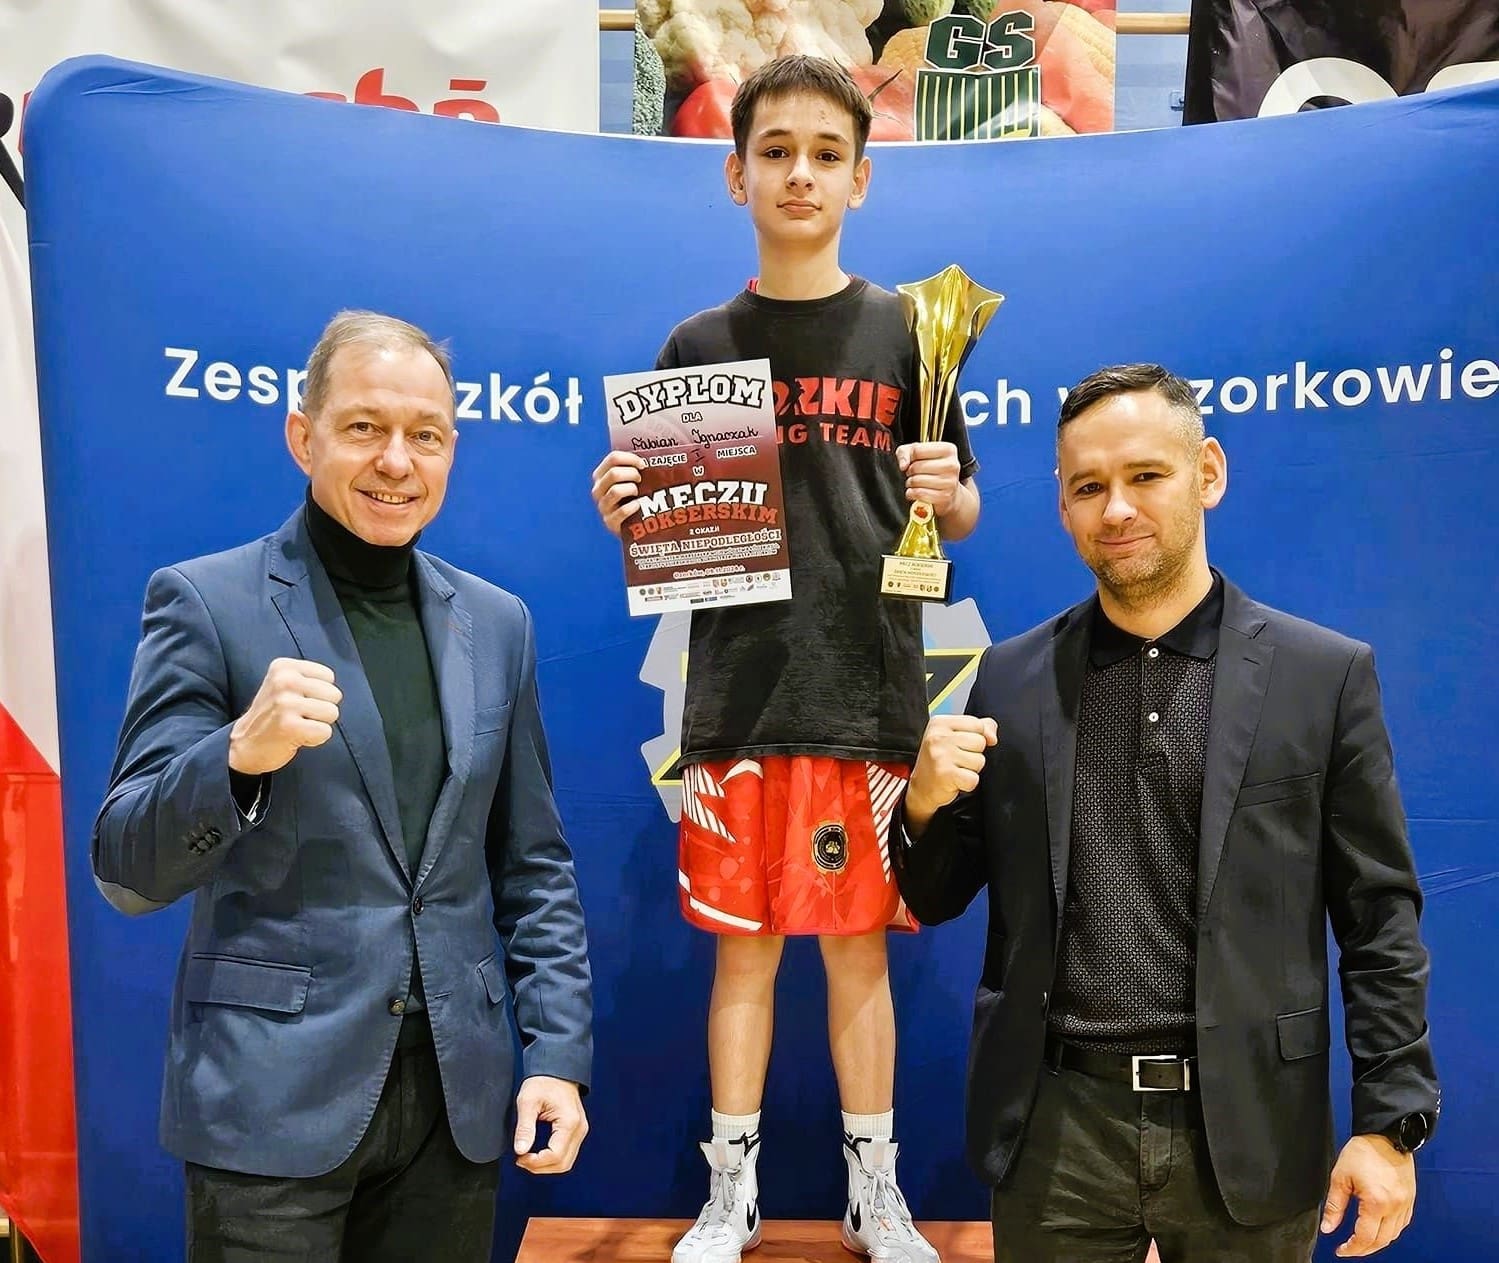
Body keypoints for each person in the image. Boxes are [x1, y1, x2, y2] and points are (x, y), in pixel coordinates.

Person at [893, 363, 1440, 1262]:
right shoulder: (1010, 676)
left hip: (1250, 1127)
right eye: (1087, 487)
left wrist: (1390, 1120)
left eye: (1144, 475)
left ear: (1207, 472)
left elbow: (1378, 918)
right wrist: (919, 804)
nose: (1116, 509)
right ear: (1062, 506)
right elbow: (936, 893)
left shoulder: (1321, 675)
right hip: (1053, 1131)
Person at [93, 310, 593, 1262]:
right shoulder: (206, 600)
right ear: (303, 435)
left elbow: (532, 865)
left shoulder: (498, 624)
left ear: (451, 451)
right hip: (267, 1105)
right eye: (365, 426)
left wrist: (559, 1054)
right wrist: (236, 755)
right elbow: (125, 865)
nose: (396, 460)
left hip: (455, 1109)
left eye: (425, 434)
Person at [591, 54, 979, 1263]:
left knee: (859, 954)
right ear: (735, 175)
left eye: (824, 153)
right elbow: (666, 540)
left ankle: (875, 1193)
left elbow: (958, 511)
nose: (798, 173)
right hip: (737, 700)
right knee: (742, 955)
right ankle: (732, 1193)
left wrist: (949, 492)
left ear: (860, 178)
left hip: (868, 695)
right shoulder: (698, 344)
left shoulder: (911, 333)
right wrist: (627, 511)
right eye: (774, 152)